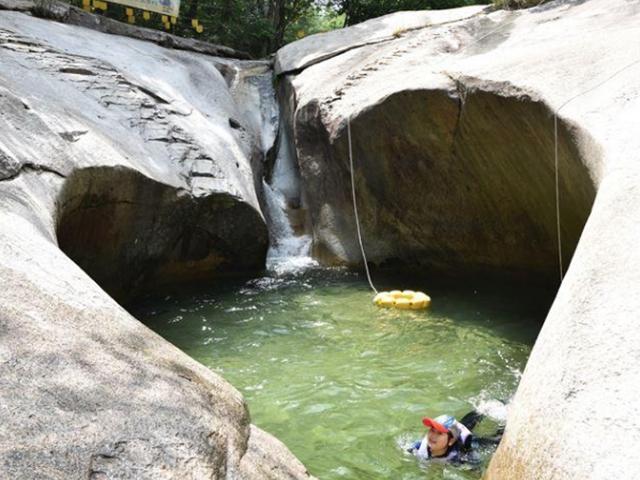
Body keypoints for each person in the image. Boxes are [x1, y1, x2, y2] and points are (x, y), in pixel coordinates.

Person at [407, 411, 500, 464]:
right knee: (464, 424)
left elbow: (476, 464)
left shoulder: (458, 456)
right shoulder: (418, 446)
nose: (433, 436)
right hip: (454, 431)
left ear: (451, 441)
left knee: (495, 441)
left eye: (439, 433)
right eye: (432, 430)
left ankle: (488, 409)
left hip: (462, 440)